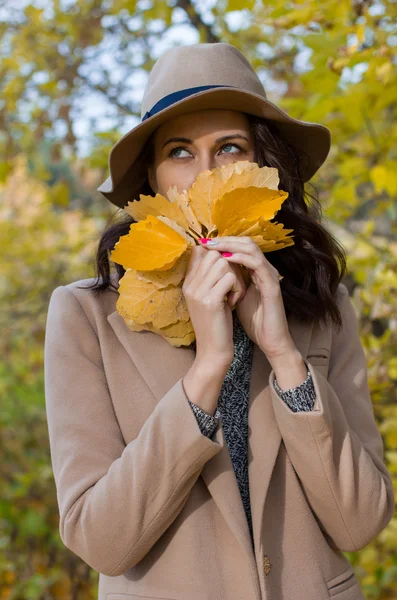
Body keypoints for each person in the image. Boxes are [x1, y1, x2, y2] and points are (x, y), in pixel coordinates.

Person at [44, 42, 395, 600]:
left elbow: (360, 524)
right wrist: (207, 371)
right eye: (180, 152)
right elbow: (100, 541)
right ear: (152, 179)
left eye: (229, 148)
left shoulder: (323, 306)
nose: (206, 172)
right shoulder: (85, 315)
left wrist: (286, 360)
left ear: (265, 165)